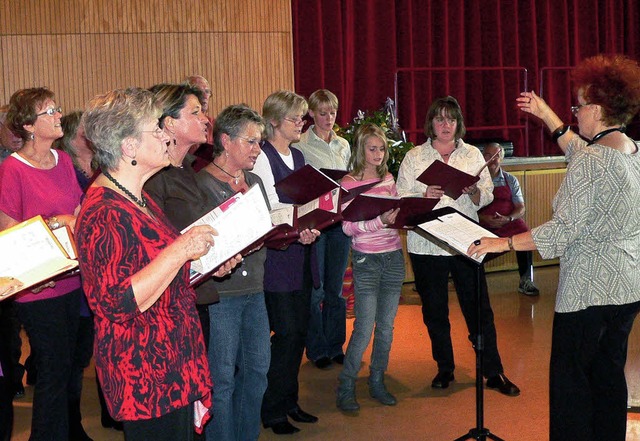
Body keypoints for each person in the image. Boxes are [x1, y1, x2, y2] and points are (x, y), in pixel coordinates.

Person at [469, 54, 640, 441]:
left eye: (578, 106)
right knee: (609, 377)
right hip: (627, 288)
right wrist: (547, 114)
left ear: (596, 109)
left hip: (588, 295)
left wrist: (505, 241)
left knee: (572, 390)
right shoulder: (632, 151)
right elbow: (583, 151)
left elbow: (562, 230)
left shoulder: (593, 161)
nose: (575, 114)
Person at [75, 87, 223, 440]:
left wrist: (206, 262)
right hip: (145, 373)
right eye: (155, 129)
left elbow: (157, 269)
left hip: (172, 362)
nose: (164, 135)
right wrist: (181, 249)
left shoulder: (137, 196)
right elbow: (117, 301)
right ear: (128, 147)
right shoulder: (103, 210)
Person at [396, 95, 520, 397]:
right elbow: (401, 197)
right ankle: (445, 368)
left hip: (466, 241)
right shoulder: (415, 156)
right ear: (431, 124)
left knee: (479, 308)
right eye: (439, 119)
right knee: (435, 311)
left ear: (458, 123)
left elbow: (487, 196)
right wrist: (424, 192)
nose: (445, 124)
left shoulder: (472, 155)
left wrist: (475, 192)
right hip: (426, 244)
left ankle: (493, 371)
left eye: (451, 119)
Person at [0, 87, 88, 440]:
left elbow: (78, 212)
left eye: (57, 109)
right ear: (27, 125)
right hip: (38, 286)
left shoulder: (62, 160)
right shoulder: (12, 169)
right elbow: (8, 232)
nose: (57, 115)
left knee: (67, 369)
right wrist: (56, 228)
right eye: (48, 111)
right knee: (52, 372)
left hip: (71, 279)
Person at [196, 104, 271, 441]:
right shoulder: (200, 185)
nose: (258, 149)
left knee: (257, 373)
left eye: (260, 142)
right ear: (225, 140)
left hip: (255, 288)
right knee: (222, 381)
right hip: (221, 296)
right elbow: (198, 246)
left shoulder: (253, 180)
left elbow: (265, 227)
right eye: (251, 142)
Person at [252, 90, 320, 435]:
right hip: (278, 258)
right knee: (286, 333)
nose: (301, 124)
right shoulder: (262, 157)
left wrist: (316, 219)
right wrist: (300, 225)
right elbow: (267, 209)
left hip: (302, 253)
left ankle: (289, 400)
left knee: (301, 332)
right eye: (296, 118)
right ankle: (272, 408)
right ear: (274, 121)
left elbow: (307, 202)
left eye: (303, 118)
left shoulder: (298, 155)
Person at [335, 123, 404, 412]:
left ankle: (377, 381)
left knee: (386, 328)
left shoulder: (388, 177)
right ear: (361, 149)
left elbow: (397, 215)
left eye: (382, 148)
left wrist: (405, 214)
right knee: (364, 327)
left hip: (394, 257)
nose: (377, 153)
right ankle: (346, 385)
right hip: (367, 261)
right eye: (372, 148)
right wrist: (380, 222)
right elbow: (348, 228)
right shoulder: (350, 183)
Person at [293, 89, 352, 369]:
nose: (329, 118)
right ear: (312, 114)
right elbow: (300, 185)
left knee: (335, 290)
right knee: (315, 291)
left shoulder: (343, 144)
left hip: (338, 222)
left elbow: (349, 179)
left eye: (333, 112)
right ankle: (316, 349)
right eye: (323, 112)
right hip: (316, 223)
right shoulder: (301, 145)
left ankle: (335, 345)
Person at [477, 142, 539, 296]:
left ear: (502, 159)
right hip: (482, 225)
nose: (492, 159)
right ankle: (475, 282)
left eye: (496, 155)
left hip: (506, 224)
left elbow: (520, 207)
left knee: (524, 232)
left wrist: (508, 219)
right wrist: (483, 218)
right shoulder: (475, 180)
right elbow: (467, 207)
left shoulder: (511, 180)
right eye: (487, 155)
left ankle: (526, 280)